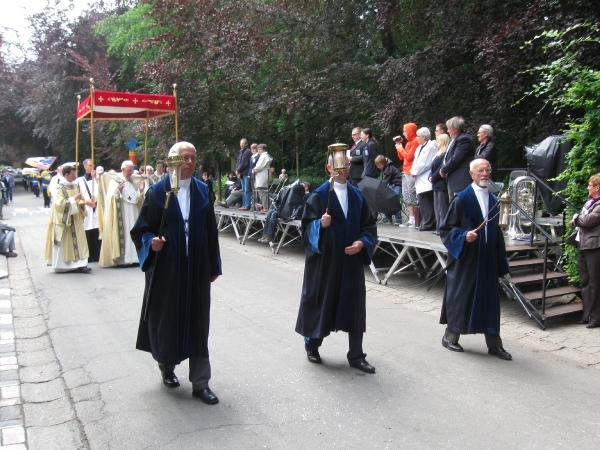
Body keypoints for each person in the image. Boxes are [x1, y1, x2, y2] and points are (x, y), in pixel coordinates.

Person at [131, 141, 222, 405]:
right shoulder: (158, 192)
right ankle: (166, 366)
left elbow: (210, 232)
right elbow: (141, 230)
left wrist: (214, 265)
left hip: (195, 269)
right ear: (173, 160)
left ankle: (201, 382)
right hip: (167, 270)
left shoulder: (203, 191)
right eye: (184, 158)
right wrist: (152, 242)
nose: (190, 163)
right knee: (168, 320)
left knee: (198, 321)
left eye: (193, 158)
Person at [295, 153, 378, 373]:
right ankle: (312, 345)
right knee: (322, 302)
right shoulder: (319, 196)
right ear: (329, 167)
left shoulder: (356, 195)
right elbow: (305, 230)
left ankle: (356, 354)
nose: (343, 169)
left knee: (354, 305)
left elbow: (368, 226)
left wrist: (362, 242)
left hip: (350, 262)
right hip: (326, 262)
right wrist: (319, 225)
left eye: (347, 165)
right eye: (339, 165)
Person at [440, 158, 511, 360]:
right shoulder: (461, 199)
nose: (485, 174)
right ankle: (450, 337)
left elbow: (497, 234)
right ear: (471, 174)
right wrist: (463, 236)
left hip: (487, 258)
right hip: (467, 259)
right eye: (480, 170)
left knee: (490, 301)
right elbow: (446, 229)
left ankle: (494, 345)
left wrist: (500, 260)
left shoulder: (495, 200)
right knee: (462, 298)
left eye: (487, 170)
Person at [44, 165, 91, 273]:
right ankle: (63, 265)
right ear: (66, 174)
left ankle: (81, 264)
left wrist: (82, 204)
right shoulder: (58, 187)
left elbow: (80, 200)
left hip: (76, 218)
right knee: (65, 243)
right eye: (72, 174)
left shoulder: (75, 185)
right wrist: (73, 199)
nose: (75, 177)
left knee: (79, 241)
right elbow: (58, 204)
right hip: (64, 220)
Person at [99, 160, 144, 267]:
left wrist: (140, 191)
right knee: (124, 233)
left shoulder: (132, 180)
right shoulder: (115, 181)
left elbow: (135, 197)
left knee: (133, 231)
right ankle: (123, 259)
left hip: (132, 211)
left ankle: (134, 257)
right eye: (129, 170)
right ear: (123, 170)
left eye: (132, 169)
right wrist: (118, 192)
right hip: (122, 213)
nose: (131, 172)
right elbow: (110, 198)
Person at [571, 173, 600, 328]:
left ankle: (596, 318)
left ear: (597, 187)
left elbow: (588, 220)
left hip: (595, 246)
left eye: (590, 185)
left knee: (595, 282)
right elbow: (581, 219)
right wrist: (576, 219)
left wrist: (576, 219)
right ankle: (586, 315)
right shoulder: (590, 203)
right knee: (586, 281)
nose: (588, 187)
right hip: (583, 244)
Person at [439, 116, 474, 199]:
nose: (447, 131)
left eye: (449, 129)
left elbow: (456, 158)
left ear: (456, 129)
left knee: (461, 205)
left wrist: (444, 169)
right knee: (453, 205)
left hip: (461, 179)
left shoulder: (464, 139)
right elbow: (447, 156)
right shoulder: (454, 139)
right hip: (453, 178)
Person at [411, 127, 436, 231]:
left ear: (424, 137)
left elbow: (424, 163)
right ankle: (425, 222)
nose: (416, 138)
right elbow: (415, 161)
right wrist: (413, 170)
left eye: (418, 136)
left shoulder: (430, 147)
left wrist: (414, 171)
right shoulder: (419, 148)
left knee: (427, 203)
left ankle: (428, 223)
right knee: (422, 202)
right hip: (419, 178)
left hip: (425, 177)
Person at [77, 159, 101, 262]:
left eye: (93, 165)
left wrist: (95, 178)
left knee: (97, 231)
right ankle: (88, 254)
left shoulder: (97, 179)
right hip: (87, 207)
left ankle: (97, 254)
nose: (92, 167)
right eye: (90, 165)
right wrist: (87, 202)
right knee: (88, 231)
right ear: (85, 167)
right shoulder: (79, 180)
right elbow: (78, 195)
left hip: (96, 207)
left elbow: (101, 191)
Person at [396, 123, 419, 227]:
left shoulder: (415, 142)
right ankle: (411, 218)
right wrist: (399, 148)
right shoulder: (409, 143)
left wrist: (401, 149)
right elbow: (402, 157)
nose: (404, 133)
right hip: (405, 171)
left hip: (411, 172)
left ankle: (415, 218)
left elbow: (409, 157)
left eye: (405, 131)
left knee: (411, 195)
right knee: (406, 195)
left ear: (410, 131)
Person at [429, 133, 451, 235]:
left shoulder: (444, 154)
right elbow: (432, 167)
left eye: (438, 141)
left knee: (442, 207)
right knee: (437, 207)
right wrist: (430, 176)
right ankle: (438, 227)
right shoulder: (437, 154)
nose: (436, 143)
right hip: (435, 184)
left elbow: (441, 168)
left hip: (441, 183)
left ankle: (443, 228)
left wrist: (433, 177)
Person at [374, 155, 403, 224]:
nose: (378, 167)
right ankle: (388, 218)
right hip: (392, 185)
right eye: (377, 165)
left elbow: (385, 181)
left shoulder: (388, 169)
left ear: (383, 163)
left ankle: (398, 219)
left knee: (394, 201)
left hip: (397, 185)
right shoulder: (386, 167)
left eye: (379, 165)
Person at [253, 144, 273, 213]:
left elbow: (259, 166)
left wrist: (253, 170)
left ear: (264, 149)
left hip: (262, 176)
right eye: (258, 149)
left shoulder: (264, 156)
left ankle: (265, 207)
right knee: (262, 192)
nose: (258, 151)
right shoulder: (263, 156)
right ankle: (265, 206)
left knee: (262, 192)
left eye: (260, 149)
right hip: (262, 176)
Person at [236, 138, 252, 211]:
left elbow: (244, 163)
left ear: (246, 144)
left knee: (246, 189)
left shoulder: (248, 151)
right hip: (241, 173)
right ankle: (244, 205)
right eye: (240, 143)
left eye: (243, 143)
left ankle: (247, 205)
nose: (241, 145)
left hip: (246, 172)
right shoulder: (241, 151)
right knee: (243, 190)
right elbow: (238, 162)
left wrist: (238, 170)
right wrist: (237, 170)